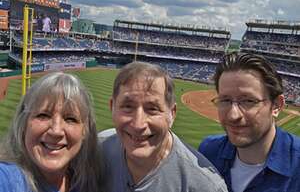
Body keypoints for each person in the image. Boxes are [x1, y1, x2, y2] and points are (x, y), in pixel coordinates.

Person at [99, 61, 228, 192]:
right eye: (127, 107)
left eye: (152, 109)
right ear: (112, 107)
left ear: (172, 114)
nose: (138, 125)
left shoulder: (205, 186)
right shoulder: (97, 149)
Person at [198, 52, 300, 192]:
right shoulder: (208, 151)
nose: (233, 115)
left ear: (276, 105)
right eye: (225, 100)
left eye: (248, 101)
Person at [0, 72, 102, 192]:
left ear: (85, 131)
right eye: (43, 115)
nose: (56, 131)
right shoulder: (7, 179)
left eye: (70, 119)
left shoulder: (86, 181)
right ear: (23, 124)